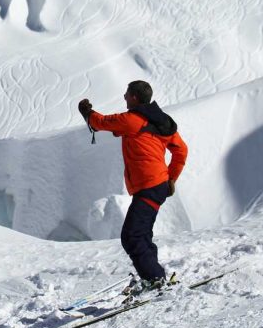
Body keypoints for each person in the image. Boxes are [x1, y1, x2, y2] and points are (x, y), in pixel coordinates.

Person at [77, 80, 188, 295]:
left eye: (127, 94)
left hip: (149, 185)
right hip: (157, 185)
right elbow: (181, 150)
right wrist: (171, 178)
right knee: (141, 234)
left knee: (132, 236)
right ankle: (154, 275)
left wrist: (86, 112)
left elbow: (102, 122)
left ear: (135, 97)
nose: (124, 97)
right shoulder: (162, 121)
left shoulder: (133, 120)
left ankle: (154, 279)